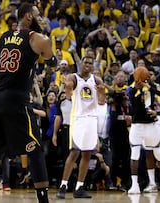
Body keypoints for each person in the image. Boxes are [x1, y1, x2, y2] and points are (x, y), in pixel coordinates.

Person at [0, 3, 58, 203]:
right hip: (16, 100)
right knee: (34, 149)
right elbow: (52, 63)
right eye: (37, 15)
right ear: (27, 17)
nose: (41, 18)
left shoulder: (4, 37)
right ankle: (43, 199)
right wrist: (55, 59)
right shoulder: (40, 39)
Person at [56, 55, 106, 199]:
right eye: (85, 62)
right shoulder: (73, 77)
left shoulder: (97, 80)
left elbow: (102, 102)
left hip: (91, 119)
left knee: (87, 154)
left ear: (93, 66)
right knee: (74, 153)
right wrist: (68, 87)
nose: (87, 65)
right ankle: (63, 186)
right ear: (80, 64)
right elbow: (68, 94)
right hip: (77, 119)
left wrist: (102, 92)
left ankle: (79, 187)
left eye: (90, 63)